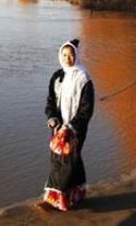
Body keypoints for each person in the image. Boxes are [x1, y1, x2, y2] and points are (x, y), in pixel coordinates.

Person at [41, 39, 95, 211]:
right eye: (64, 55)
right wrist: (52, 118)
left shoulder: (84, 78)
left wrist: (71, 126)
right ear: (60, 56)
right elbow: (50, 101)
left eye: (71, 55)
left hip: (76, 128)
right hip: (58, 127)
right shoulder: (57, 76)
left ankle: (58, 199)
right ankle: (75, 195)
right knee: (61, 160)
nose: (68, 58)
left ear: (76, 56)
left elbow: (87, 109)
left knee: (68, 161)